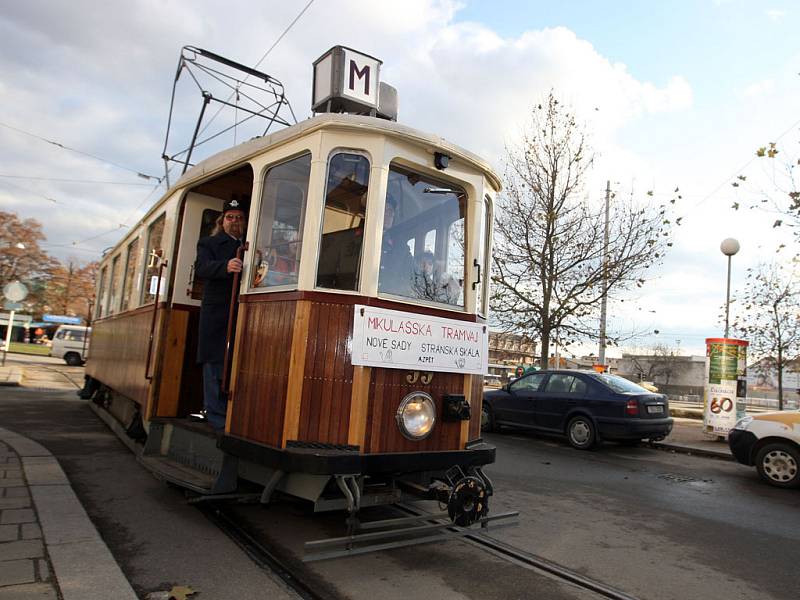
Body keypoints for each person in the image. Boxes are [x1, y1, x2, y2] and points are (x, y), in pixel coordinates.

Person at [194, 197, 248, 431]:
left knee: (238, 361)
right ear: (222, 220)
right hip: (217, 311)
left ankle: (235, 412)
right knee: (214, 362)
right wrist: (225, 266)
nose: (234, 221)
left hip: (243, 310)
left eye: (239, 218)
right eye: (230, 217)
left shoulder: (250, 244)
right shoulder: (209, 243)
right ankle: (215, 414)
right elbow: (202, 268)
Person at [378, 194, 414, 296]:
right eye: (384, 210)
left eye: (390, 211)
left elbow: (415, 275)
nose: (388, 214)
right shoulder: (359, 239)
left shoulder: (401, 248)